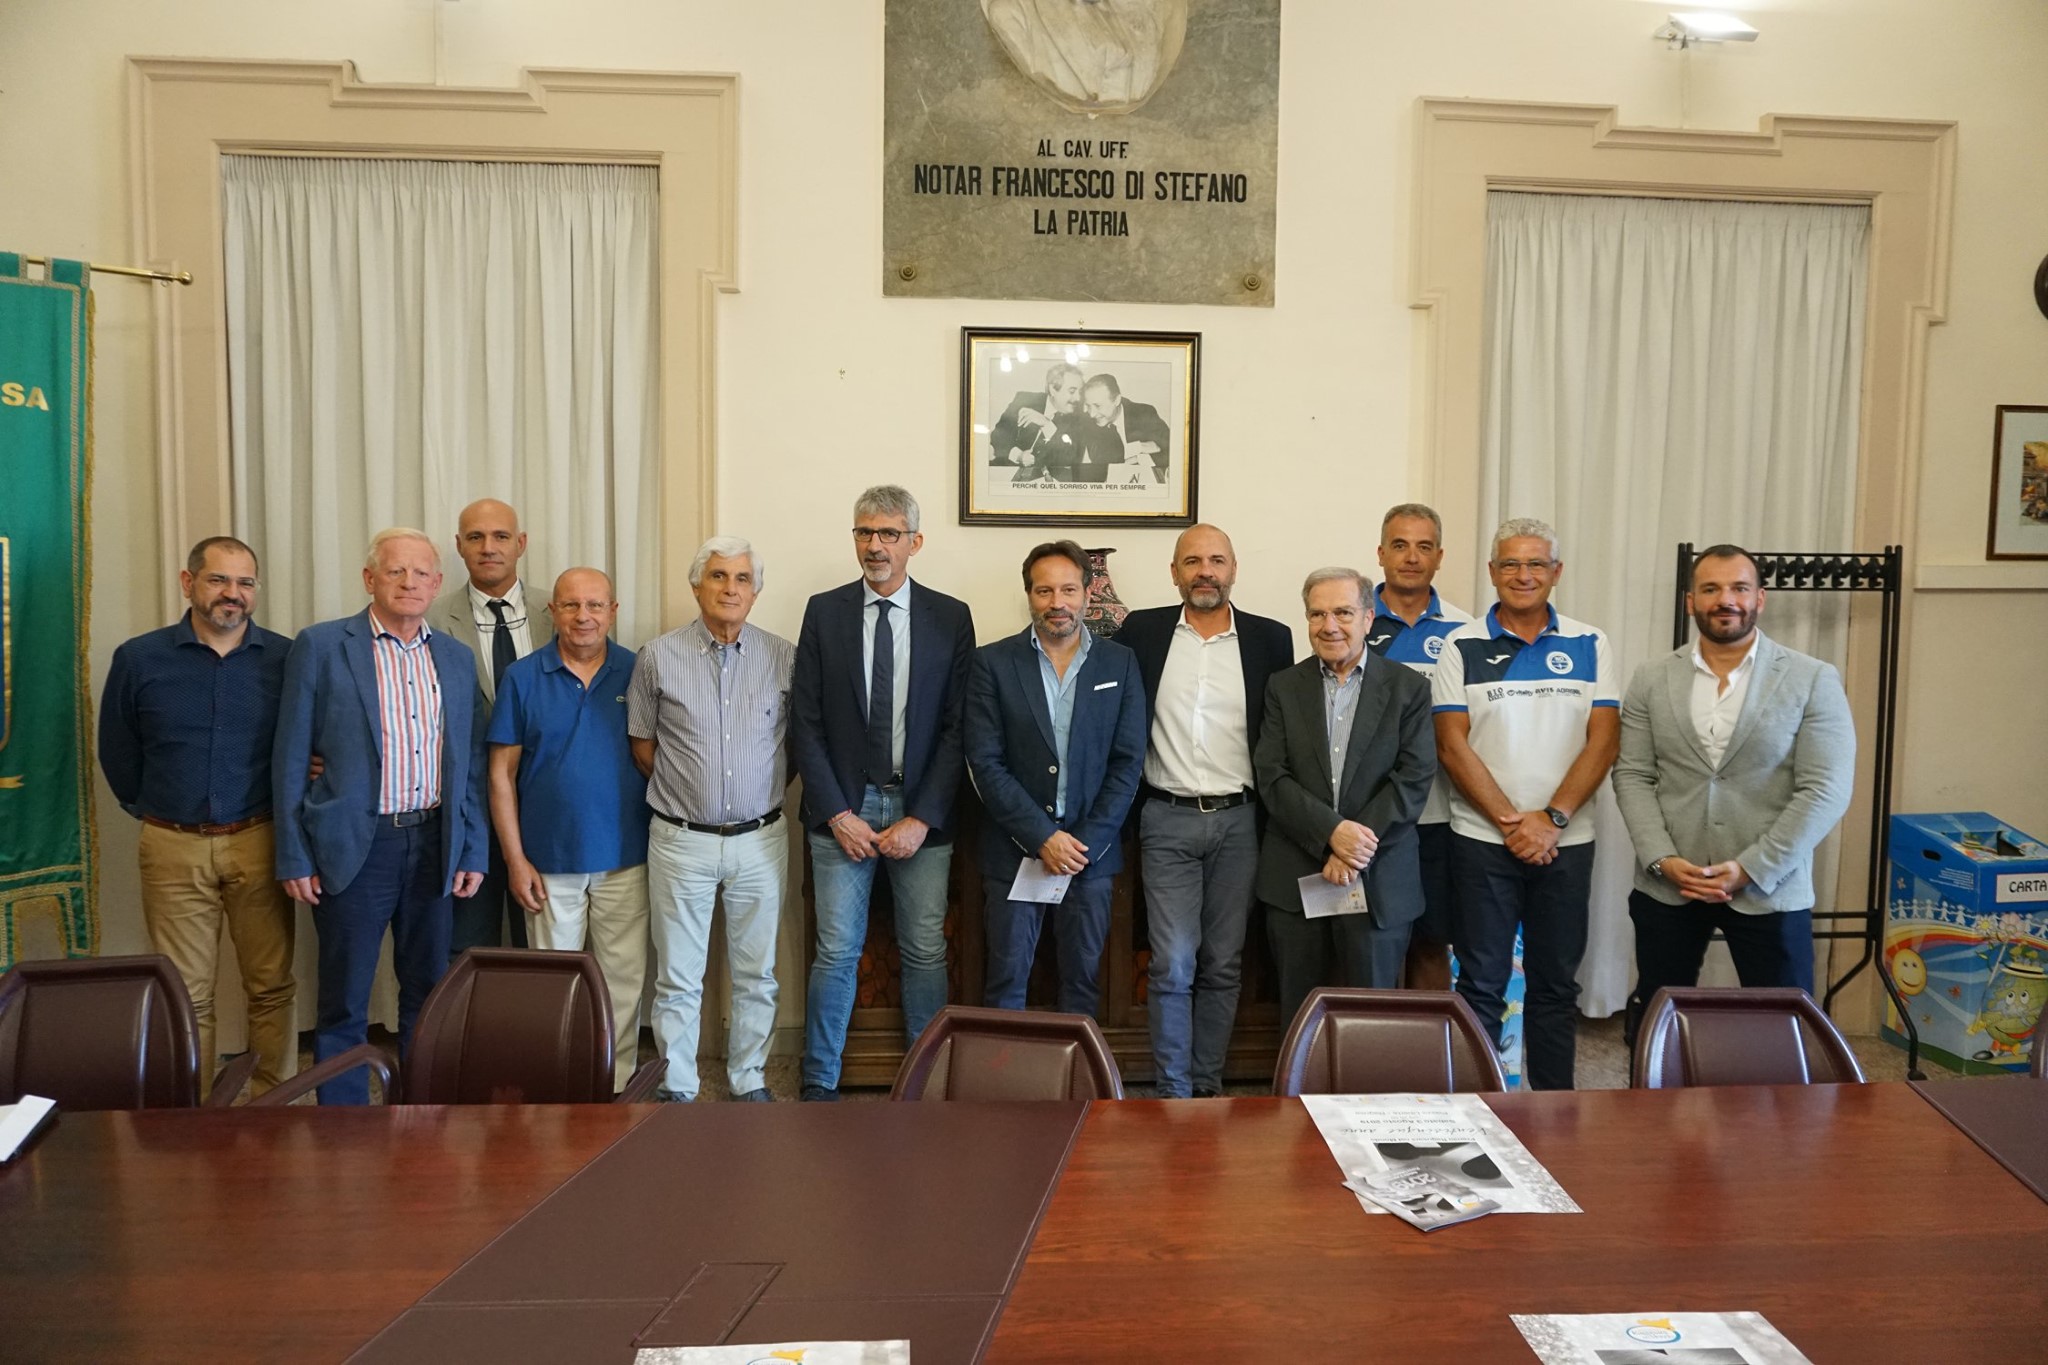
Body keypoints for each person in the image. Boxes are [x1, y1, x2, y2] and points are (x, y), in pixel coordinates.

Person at [273, 528, 489, 1104]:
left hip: (434, 844)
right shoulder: (322, 646)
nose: (409, 582)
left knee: (429, 989)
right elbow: (291, 755)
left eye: (421, 573)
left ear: (437, 584)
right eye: (396, 571)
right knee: (344, 998)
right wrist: (293, 854)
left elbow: (469, 763)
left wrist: (472, 847)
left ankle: (422, 1116)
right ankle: (344, 1129)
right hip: (355, 846)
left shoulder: (455, 658)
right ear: (370, 579)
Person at [1612, 543, 1855, 1023]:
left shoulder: (1811, 678)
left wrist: (1752, 868)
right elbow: (1633, 774)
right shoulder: (1651, 677)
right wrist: (1661, 859)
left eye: (1739, 588)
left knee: (1784, 1030)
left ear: (1760, 598)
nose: (1726, 600)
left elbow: (1825, 788)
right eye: (1711, 589)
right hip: (1671, 883)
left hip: (1770, 886)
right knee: (1657, 1024)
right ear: (1691, 601)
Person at [792, 485, 976, 1101]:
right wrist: (837, 813)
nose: (875, 545)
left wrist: (922, 817)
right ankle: (819, 1081)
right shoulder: (824, 612)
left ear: (914, 542)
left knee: (924, 949)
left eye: (889, 534)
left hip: (920, 809)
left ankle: (925, 1082)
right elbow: (806, 723)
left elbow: (958, 728)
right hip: (843, 808)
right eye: (865, 532)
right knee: (836, 951)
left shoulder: (950, 617)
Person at [98, 536, 296, 1097]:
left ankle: (273, 1098)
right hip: (173, 845)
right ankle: (196, 1113)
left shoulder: (286, 659)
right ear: (189, 583)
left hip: (260, 839)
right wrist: (156, 810)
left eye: (245, 582)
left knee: (271, 985)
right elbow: (117, 750)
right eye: (219, 580)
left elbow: (307, 741)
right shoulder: (139, 658)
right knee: (187, 993)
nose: (233, 593)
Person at [1433, 518, 1619, 1091]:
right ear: (1492, 572)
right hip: (1482, 842)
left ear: (1556, 572)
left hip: (1567, 842)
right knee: (1481, 984)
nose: (1523, 575)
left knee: (1555, 986)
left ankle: (1556, 1110)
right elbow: (1452, 745)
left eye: (1536, 563)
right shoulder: (1460, 645)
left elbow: (1604, 741)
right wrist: (1515, 825)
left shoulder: (1590, 643)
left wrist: (1552, 820)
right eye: (1510, 564)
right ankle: (1480, 1110)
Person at [1117, 524, 1293, 1098]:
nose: (1205, 571)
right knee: (1171, 962)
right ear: (1174, 572)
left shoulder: (1271, 639)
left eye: (1217, 560)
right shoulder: (1141, 632)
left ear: (1234, 569)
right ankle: (1173, 1092)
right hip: (1165, 817)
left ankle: (1207, 1086)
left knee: (1223, 962)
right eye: (1192, 561)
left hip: (1242, 821)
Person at [627, 536, 794, 1103]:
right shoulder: (657, 656)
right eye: (718, 576)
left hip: (760, 839)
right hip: (681, 840)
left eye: (742, 578)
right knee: (677, 976)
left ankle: (749, 1079)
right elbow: (643, 745)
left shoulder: (785, 657)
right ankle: (678, 1086)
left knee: (757, 974)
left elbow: (794, 746)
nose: (730, 588)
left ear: (756, 591)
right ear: (697, 586)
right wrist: (692, 792)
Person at [486, 567, 652, 1093]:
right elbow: (500, 774)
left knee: (623, 980)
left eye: (595, 605)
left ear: (613, 611)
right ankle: (556, 1086)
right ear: (552, 611)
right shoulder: (522, 677)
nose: (584, 616)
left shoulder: (639, 671)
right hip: (547, 862)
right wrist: (515, 860)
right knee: (553, 983)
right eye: (572, 605)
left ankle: (616, 1082)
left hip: (626, 855)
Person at [965, 540, 1147, 1015]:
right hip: (1014, 853)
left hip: (1091, 857)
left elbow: (1127, 762)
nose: (1057, 602)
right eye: (1044, 591)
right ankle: (1004, 1067)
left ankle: (1075, 1069)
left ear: (1087, 592)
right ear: (1029, 595)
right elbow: (985, 762)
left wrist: (1083, 843)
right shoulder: (992, 663)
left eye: (1068, 589)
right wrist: (1043, 837)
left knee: (1083, 986)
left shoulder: (1120, 663)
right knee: (1006, 983)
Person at [1254, 568, 1435, 1031]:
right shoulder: (1282, 686)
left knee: (1373, 1024)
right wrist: (1331, 834)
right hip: (1297, 877)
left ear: (1369, 618)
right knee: (1300, 1023)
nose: (1329, 625)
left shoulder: (1409, 688)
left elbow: (1414, 778)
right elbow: (1272, 775)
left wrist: (1353, 849)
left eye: (1343, 613)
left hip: (1379, 880)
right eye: (1317, 614)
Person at [429, 497, 554, 955]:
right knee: (467, 949)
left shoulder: (561, 612)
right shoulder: (431, 619)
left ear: (521, 543)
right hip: (467, 813)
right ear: (458, 546)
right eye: (475, 537)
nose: (488, 547)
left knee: (539, 948)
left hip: (543, 808)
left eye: (500, 536)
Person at [1367, 503, 1475, 991]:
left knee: (1432, 941)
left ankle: (1431, 1040)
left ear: (1439, 557)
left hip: (1440, 817)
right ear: (1381, 553)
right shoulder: (1352, 620)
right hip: (1367, 816)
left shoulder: (1466, 631)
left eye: (1424, 547)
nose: (1411, 557)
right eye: (1400, 545)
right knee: (1366, 943)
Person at [989, 362, 1086, 483]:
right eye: (1072, 391)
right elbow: (997, 437)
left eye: (1080, 392)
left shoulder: (1079, 418)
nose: (1078, 398)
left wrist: (1048, 425)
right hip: (1005, 473)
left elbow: (1070, 459)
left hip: (1043, 484)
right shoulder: (1025, 400)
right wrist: (1018, 456)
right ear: (1053, 389)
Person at [1077, 374, 1170, 484]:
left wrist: (1139, 459)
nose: (1092, 414)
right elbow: (1102, 459)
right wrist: (1138, 447)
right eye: (1088, 406)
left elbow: (1172, 451)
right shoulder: (1088, 421)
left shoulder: (1144, 413)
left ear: (1116, 400)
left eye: (1098, 406)